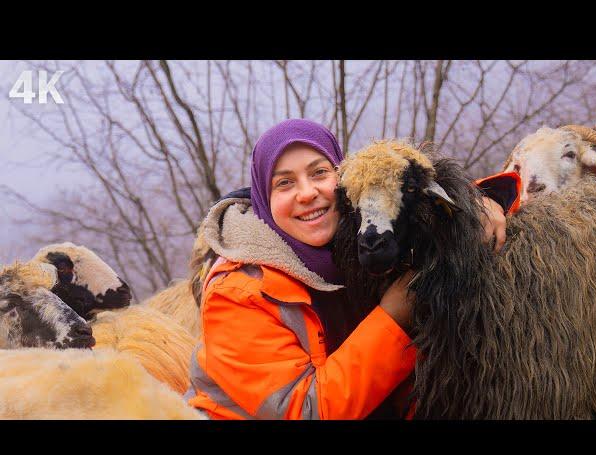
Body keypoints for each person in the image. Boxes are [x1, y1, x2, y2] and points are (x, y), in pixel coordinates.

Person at [185, 119, 519, 420]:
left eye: (319, 172)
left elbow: (406, 194)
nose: (307, 193)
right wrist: (394, 313)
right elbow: (305, 412)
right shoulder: (237, 293)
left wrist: (480, 204)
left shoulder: (353, 239)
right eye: (284, 183)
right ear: (263, 197)